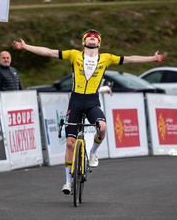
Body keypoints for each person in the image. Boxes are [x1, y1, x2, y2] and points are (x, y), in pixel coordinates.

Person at [13, 29, 166, 194]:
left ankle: (92, 152)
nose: (92, 38)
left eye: (96, 37)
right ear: (83, 42)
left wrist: (153, 58)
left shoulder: (106, 58)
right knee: (70, 143)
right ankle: (68, 182)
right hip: (76, 101)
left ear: (99, 44)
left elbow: (129, 59)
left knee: (102, 127)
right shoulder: (74, 55)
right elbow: (49, 52)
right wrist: (26, 46)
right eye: (89, 36)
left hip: (92, 101)